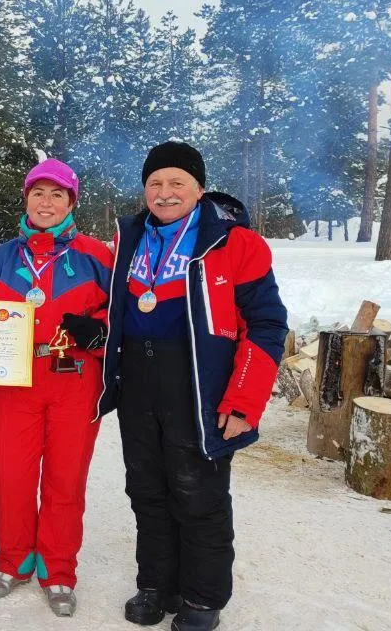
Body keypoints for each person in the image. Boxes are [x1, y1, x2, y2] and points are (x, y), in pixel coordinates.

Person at [99, 142, 287, 631]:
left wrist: (244, 401)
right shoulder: (128, 236)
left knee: (197, 493)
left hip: (200, 382)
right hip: (139, 380)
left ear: (199, 188)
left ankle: (202, 598)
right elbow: (108, 305)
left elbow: (266, 326)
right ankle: (156, 584)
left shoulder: (235, 242)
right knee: (146, 489)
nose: (164, 193)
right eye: (155, 184)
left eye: (176, 183)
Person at [0, 159, 112, 617]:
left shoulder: (96, 255)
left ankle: (58, 570)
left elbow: (121, 320)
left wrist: (98, 332)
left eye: (56, 195)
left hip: (74, 380)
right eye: (38, 193)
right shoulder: (2, 256)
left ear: (70, 202)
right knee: (11, 476)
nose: (46, 203)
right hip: (14, 382)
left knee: (65, 478)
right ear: (26, 199)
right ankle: (14, 561)